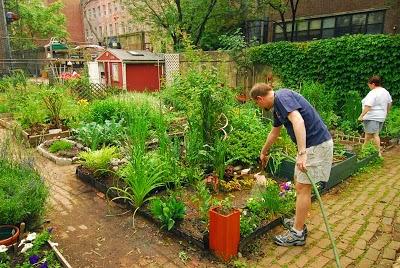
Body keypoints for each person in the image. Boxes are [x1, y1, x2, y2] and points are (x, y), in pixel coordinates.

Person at [250, 83, 333, 246]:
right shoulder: (278, 105)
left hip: (315, 145)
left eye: (257, 103)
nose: (259, 106)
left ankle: (297, 233)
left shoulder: (282, 97)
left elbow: (298, 121)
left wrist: (302, 153)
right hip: (314, 145)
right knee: (302, 186)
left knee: (303, 188)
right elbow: (274, 132)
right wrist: (263, 152)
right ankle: (299, 223)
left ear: (260, 98)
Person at [358, 75, 392, 156]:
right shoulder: (385, 91)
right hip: (380, 117)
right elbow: (389, 103)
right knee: (368, 135)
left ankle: (378, 153)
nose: (369, 86)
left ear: (373, 84)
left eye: (369, 85)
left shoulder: (373, 93)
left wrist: (361, 116)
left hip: (372, 117)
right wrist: (386, 112)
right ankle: (364, 150)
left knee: (374, 135)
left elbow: (368, 106)